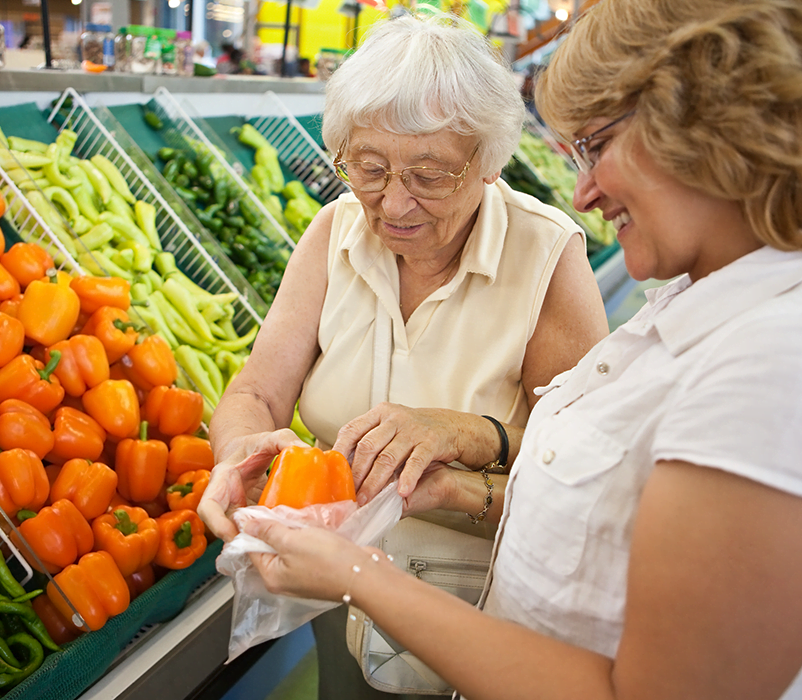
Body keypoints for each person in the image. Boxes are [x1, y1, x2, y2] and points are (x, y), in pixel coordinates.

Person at [231, 1, 802, 699]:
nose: (583, 190)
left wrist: (356, 575)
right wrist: (449, 487)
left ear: (711, 130)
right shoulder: (699, 313)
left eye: (596, 145)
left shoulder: (796, 362)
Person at [197, 11, 608, 700]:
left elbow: (588, 476)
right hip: (332, 595)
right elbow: (256, 395)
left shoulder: (545, 254)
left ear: (488, 162)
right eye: (367, 167)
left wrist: (471, 439)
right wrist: (238, 452)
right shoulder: (333, 231)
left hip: (481, 611)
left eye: (429, 174)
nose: (392, 202)